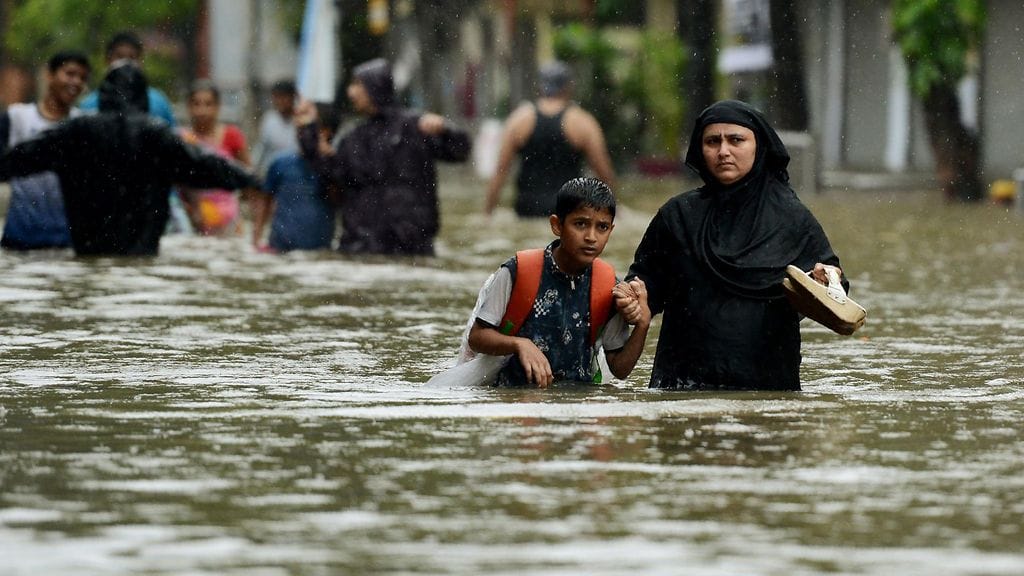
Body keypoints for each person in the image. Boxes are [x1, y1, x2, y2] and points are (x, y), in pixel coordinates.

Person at [624, 100, 849, 391]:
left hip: (767, 392)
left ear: (759, 147)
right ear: (700, 149)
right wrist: (631, 297)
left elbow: (837, 293)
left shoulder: (791, 219)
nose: (723, 151)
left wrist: (824, 279)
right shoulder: (678, 216)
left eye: (736, 140)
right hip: (681, 388)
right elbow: (645, 285)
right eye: (712, 141)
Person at [0, 62, 259, 256]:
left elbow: (21, 158)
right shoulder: (157, 136)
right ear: (143, 95)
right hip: (140, 257)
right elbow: (205, 166)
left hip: (89, 256)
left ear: (104, 94)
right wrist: (253, 179)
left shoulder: (75, 132)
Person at [462, 177, 650, 387]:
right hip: (515, 400)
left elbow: (620, 369)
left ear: (611, 231)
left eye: (602, 227)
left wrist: (643, 324)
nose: (591, 237)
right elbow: (477, 337)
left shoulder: (607, 286)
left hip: (578, 404)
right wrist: (519, 344)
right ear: (557, 225)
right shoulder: (518, 272)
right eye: (580, 224)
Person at [294, 58, 471, 256]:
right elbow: (330, 173)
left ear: (374, 86)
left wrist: (445, 129)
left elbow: (460, 151)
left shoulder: (416, 127)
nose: (351, 93)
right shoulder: (353, 137)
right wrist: (307, 129)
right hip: (362, 246)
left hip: (410, 246)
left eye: (357, 85)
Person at [484, 60, 617, 218]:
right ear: (568, 87)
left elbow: (501, 171)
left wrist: (488, 212)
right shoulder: (583, 123)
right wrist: (615, 208)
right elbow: (603, 172)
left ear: (540, 86)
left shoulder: (518, 120)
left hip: (527, 209)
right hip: (568, 211)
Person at [0, 50, 90, 250]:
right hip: (18, 243)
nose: (76, 82)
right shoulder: (16, 118)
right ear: (49, 74)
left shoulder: (83, 126)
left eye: (82, 78)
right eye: (70, 74)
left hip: (66, 245)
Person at [251, 103, 339, 252]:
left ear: (325, 132)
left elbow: (338, 199)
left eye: (308, 129)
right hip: (280, 247)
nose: (302, 134)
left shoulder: (334, 166)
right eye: (299, 129)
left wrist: (327, 163)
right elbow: (264, 201)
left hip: (319, 250)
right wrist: (256, 239)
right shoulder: (280, 163)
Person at [177, 80, 252, 236]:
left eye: (208, 104)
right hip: (192, 220)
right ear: (188, 107)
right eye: (196, 104)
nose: (202, 110)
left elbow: (248, 177)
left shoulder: (232, 136)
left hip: (228, 221)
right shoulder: (182, 139)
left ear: (218, 107)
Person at [78, 31, 176, 126]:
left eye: (132, 57)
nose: (126, 62)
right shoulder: (89, 104)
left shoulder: (159, 102)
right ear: (107, 60)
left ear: (141, 62)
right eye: (119, 57)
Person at [254, 79, 299, 177]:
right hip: (274, 176)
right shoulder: (269, 120)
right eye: (276, 97)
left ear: (293, 97)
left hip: (295, 176)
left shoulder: (300, 120)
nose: (279, 101)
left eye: (283, 97)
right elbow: (261, 150)